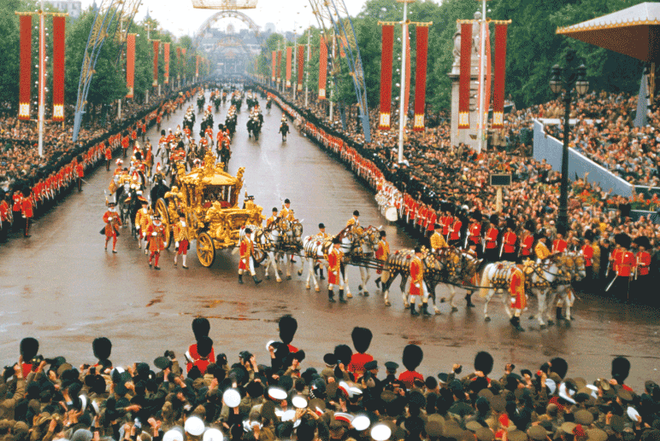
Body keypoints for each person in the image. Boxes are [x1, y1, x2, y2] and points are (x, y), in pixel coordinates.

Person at [409, 247, 431, 316]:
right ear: (417, 253)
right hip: (416, 281)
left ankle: (425, 310)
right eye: (420, 253)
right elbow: (412, 272)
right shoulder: (414, 261)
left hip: (421, 280)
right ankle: (412, 310)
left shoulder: (420, 260)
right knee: (413, 295)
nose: (421, 254)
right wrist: (415, 282)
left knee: (426, 293)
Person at [327, 237, 345, 303]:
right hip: (333, 271)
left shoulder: (339, 251)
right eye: (337, 244)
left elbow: (342, 257)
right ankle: (330, 297)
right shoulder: (332, 253)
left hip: (338, 270)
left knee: (342, 283)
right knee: (331, 284)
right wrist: (333, 270)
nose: (338, 245)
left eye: (339, 244)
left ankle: (341, 298)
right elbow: (330, 263)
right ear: (334, 245)